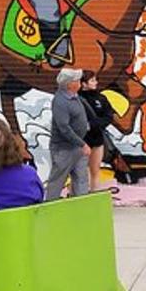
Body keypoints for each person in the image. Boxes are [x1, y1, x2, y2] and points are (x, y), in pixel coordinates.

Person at [46, 67, 92, 199]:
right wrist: (82, 144)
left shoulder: (75, 97)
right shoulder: (60, 101)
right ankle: (50, 206)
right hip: (63, 149)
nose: (79, 82)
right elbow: (63, 127)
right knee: (58, 180)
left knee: (81, 179)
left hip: (77, 147)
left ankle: (81, 207)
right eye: (77, 80)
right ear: (70, 84)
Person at [78, 70, 115, 192]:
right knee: (79, 171)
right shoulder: (76, 99)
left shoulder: (101, 98)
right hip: (81, 140)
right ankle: (79, 196)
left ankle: (94, 194)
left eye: (95, 80)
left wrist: (93, 125)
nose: (96, 83)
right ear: (83, 83)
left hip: (97, 139)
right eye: (92, 80)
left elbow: (109, 116)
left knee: (95, 170)